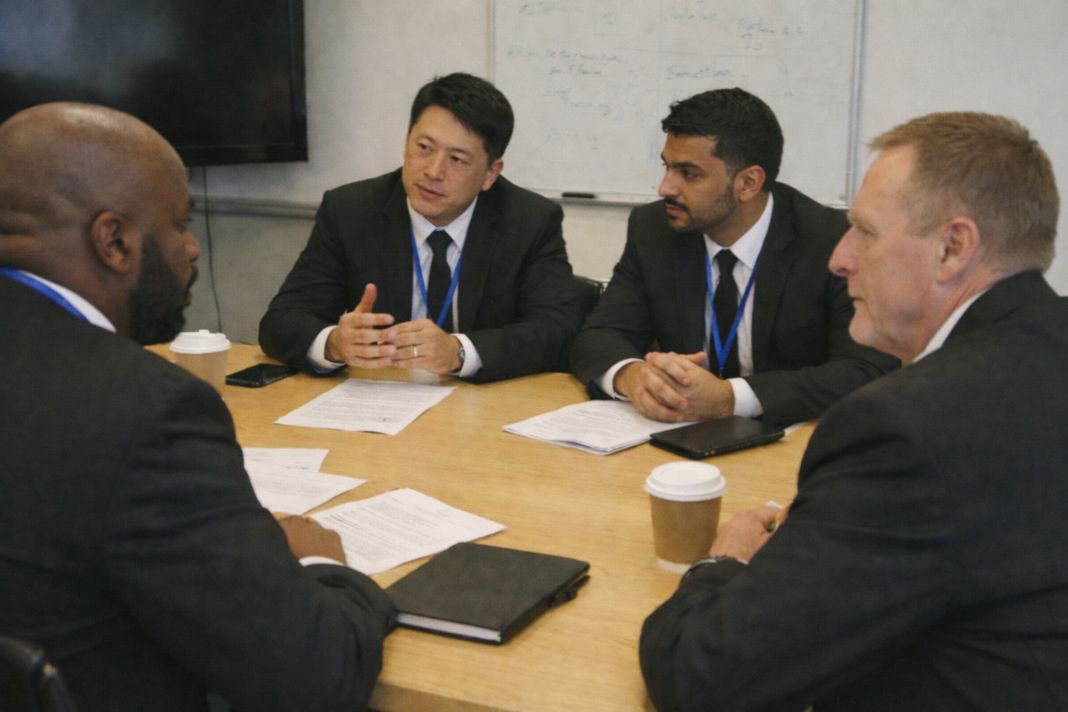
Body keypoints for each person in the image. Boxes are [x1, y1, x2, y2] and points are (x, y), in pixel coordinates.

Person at [640, 111, 1068, 710]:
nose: (839, 259)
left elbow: (703, 678)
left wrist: (725, 561)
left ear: (953, 248)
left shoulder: (904, 430)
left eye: (864, 232)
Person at [0, 103, 394, 712]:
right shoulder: (144, 411)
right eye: (179, 224)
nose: (192, 249)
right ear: (114, 240)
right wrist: (321, 562)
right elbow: (316, 681)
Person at [570, 88, 897, 427]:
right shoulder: (654, 230)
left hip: (789, 444)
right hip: (680, 442)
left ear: (748, 183)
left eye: (689, 173)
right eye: (667, 167)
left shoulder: (832, 242)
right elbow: (599, 335)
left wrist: (732, 398)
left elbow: (866, 369)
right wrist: (633, 376)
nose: (665, 188)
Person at [259, 72, 580, 382]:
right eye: (424, 147)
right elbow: (280, 322)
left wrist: (459, 352)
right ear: (406, 142)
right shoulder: (351, 211)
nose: (433, 171)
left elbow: (557, 331)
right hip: (380, 403)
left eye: (456, 159)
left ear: (490, 174)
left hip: (483, 411)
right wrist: (333, 343)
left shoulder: (530, 221)